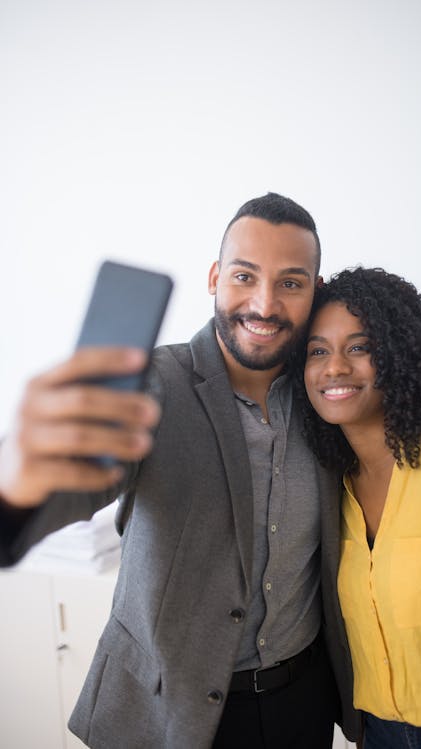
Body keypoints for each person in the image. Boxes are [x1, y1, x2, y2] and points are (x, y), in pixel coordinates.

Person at [0, 193, 359, 749]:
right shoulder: (154, 386)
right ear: (216, 277)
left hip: (302, 702)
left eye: (291, 283)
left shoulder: (326, 396)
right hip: (170, 715)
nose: (264, 304)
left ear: (314, 292)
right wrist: (20, 480)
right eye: (245, 276)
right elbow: (69, 488)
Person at [298, 266, 421, 749]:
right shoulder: (331, 484)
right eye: (318, 351)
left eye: (360, 347)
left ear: (400, 354)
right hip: (376, 733)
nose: (336, 368)